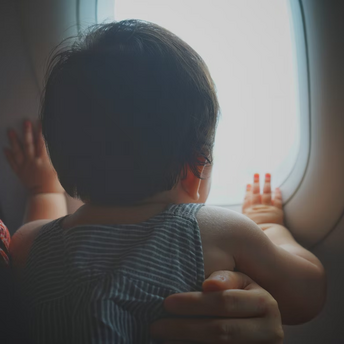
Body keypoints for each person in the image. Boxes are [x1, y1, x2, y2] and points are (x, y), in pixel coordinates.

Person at [5, 19, 325, 343]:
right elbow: (307, 295)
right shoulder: (216, 231)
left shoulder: (29, 246)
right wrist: (270, 226)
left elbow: (41, 223)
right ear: (195, 169)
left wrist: (41, 188)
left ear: (63, 162)